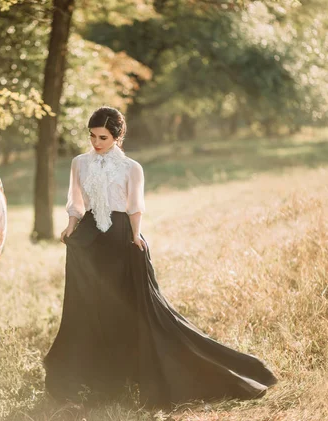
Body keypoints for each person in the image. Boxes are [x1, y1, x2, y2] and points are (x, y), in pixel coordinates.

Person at [43, 106, 277, 408]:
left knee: (132, 308)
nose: (96, 142)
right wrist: (70, 229)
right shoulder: (80, 163)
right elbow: (75, 202)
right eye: (92, 136)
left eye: (102, 137)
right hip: (87, 242)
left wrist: (136, 236)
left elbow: (135, 207)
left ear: (117, 136)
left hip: (120, 238)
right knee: (88, 307)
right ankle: (93, 377)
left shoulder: (131, 168)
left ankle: (146, 373)